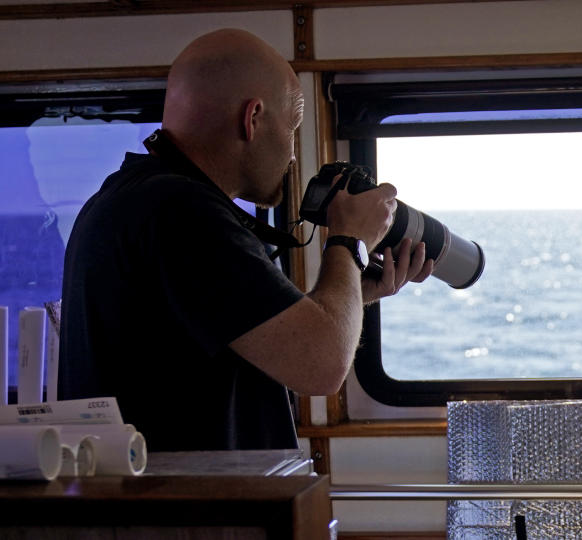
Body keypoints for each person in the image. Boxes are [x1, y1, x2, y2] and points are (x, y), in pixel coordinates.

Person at [58, 28, 432, 451]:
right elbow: (320, 366)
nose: (293, 155)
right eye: (292, 128)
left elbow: (258, 337)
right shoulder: (183, 213)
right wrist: (349, 240)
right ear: (252, 118)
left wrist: (354, 291)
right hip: (193, 511)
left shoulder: (131, 198)